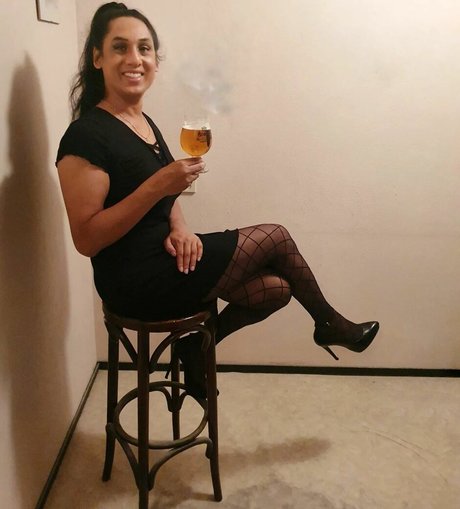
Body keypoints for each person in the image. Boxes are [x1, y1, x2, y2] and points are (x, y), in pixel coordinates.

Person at [56, 2, 379, 400]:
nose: (135, 59)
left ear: (156, 59)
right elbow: (87, 239)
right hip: (134, 279)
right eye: (120, 47)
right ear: (97, 58)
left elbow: (165, 193)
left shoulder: (141, 122)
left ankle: (195, 347)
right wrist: (157, 185)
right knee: (275, 237)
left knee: (277, 288)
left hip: (165, 256)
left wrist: (180, 227)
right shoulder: (86, 136)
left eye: (144, 48)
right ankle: (328, 323)